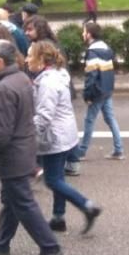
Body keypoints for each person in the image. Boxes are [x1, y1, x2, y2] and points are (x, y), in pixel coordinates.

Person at [0, 40, 64, 255]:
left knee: (23, 203)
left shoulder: (4, 88)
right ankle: (1, 245)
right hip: (23, 149)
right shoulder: (21, 78)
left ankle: (50, 249)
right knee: (11, 201)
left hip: (12, 156)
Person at [28, 41, 102, 233]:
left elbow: (44, 116)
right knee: (58, 177)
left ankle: (87, 206)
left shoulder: (47, 82)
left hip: (54, 137)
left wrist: (29, 138)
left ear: (42, 59)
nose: (27, 59)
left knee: (52, 180)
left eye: (30, 55)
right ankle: (58, 218)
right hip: (64, 134)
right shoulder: (57, 75)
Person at [78, 22, 125, 160]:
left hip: (97, 92)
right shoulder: (106, 49)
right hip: (107, 90)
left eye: (84, 31)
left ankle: (82, 151)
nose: (82, 34)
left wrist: (88, 95)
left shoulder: (92, 52)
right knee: (110, 118)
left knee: (89, 120)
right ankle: (119, 149)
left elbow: (91, 76)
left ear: (89, 34)